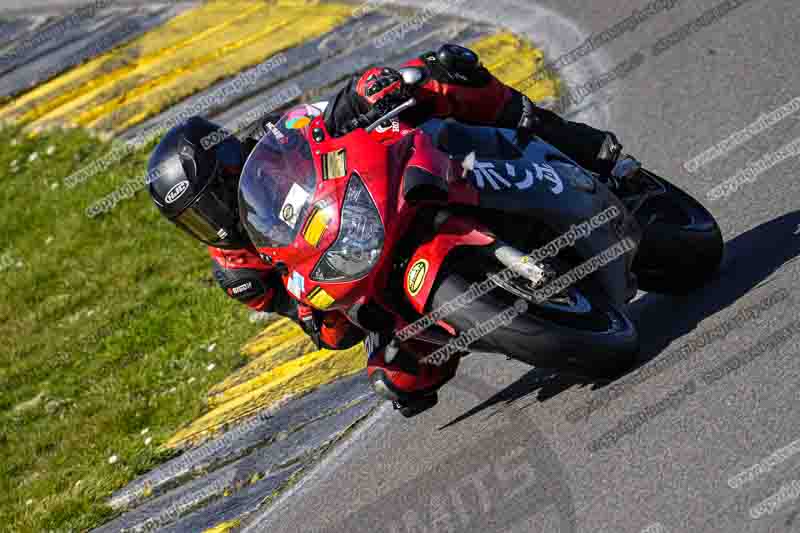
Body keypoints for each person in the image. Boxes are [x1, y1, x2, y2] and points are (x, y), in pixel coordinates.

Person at [147, 43, 638, 417]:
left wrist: (364, 93)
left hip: (376, 197)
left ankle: (585, 149)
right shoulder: (237, 274)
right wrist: (318, 319)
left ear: (231, 163)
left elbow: (325, 118)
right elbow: (315, 326)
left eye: (212, 200)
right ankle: (506, 317)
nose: (215, 220)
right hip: (356, 276)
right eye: (196, 218)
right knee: (397, 379)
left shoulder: (276, 141)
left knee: (441, 73)